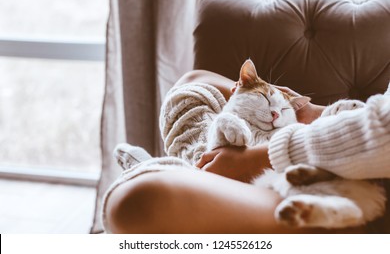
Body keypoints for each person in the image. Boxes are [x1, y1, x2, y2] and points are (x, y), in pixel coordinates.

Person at [103, 69, 390, 234]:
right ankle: (170, 167)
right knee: (192, 82)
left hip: (364, 186)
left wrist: (261, 156)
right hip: (345, 141)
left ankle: (159, 167)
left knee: (135, 202)